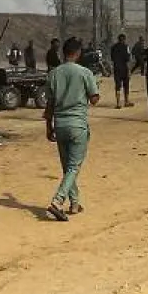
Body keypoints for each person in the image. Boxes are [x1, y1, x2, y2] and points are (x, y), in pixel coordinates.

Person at [43, 37, 99, 220]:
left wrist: (48, 127)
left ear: (63, 53)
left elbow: (49, 104)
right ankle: (57, 201)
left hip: (60, 125)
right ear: (78, 53)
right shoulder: (85, 72)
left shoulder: (53, 74)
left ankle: (74, 203)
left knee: (68, 167)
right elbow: (94, 98)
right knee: (74, 167)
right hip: (78, 125)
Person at [110, 32, 133, 109]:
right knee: (126, 85)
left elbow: (112, 59)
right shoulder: (126, 47)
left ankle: (118, 103)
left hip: (116, 68)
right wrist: (129, 70)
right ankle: (126, 101)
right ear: (124, 40)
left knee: (117, 86)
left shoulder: (113, 47)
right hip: (124, 69)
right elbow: (128, 60)